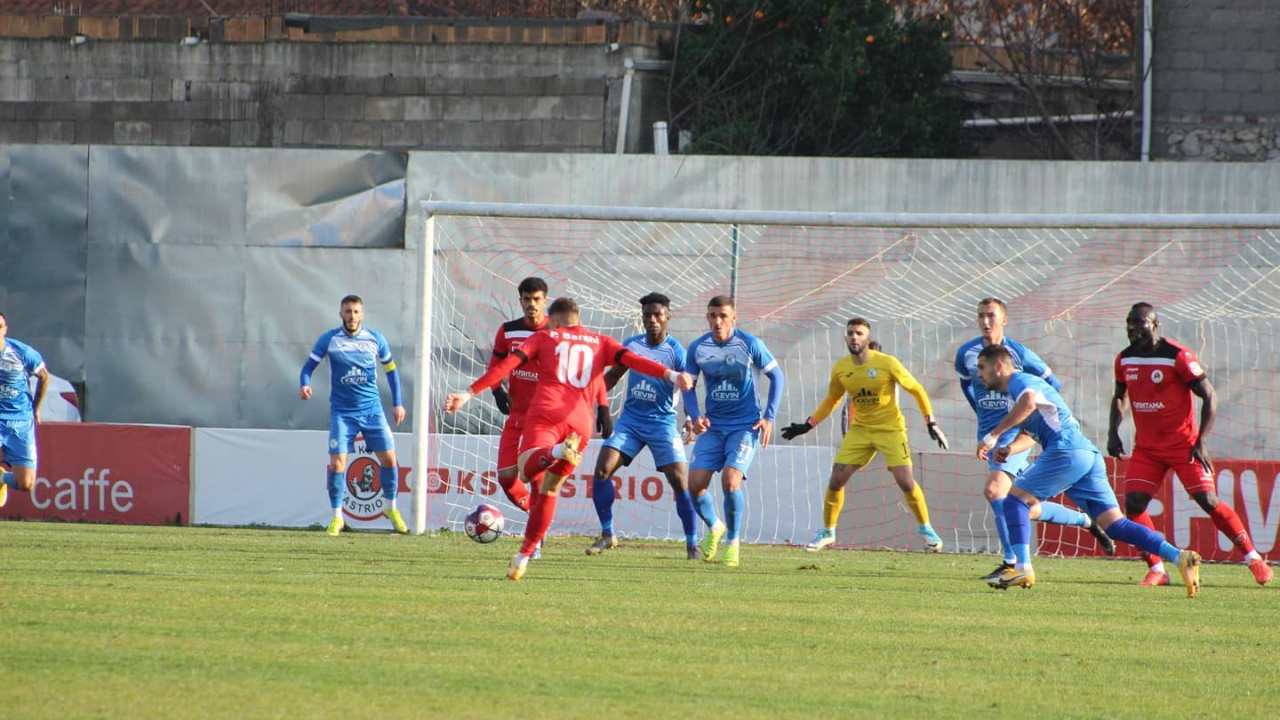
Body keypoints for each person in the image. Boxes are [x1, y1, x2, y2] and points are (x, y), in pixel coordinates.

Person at [445, 297, 694, 581]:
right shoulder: (599, 341)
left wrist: (468, 393)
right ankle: (524, 555)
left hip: (547, 416)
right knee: (549, 490)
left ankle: (554, 453)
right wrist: (671, 374)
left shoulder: (544, 337)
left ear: (555, 319)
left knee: (526, 470)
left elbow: (506, 366)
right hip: (580, 424)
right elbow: (634, 360)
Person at [975, 344, 1201, 596]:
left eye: (982, 367)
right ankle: (1180, 556)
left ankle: (1022, 567)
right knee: (1115, 525)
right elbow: (1033, 430)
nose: (979, 374)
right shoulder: (1017, 394)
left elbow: (1028, 402)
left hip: (1067, 450)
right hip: (1086, 455)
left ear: (998, 366)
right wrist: (1010, 449)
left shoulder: (1020, 381)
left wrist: (994, 435)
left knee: (1014, 502)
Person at [1107, 302, 1271, 586]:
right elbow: (1120, 396)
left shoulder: (1177, 356)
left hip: (1183, 446)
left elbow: (1209, 395)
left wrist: (1200, 441)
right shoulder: (1125, 359)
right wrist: (1113, 432)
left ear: (1155, 325)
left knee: (1207, 500)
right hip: (1147, 448)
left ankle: (1253, 558)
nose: (1133, 328)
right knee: (1133, 504)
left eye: (1139, 322)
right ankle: (1158, 568)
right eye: (1129, 322)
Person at [955, 298, 1114, 580]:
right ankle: (1084, 520)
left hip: (1015, 431)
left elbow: (1051, 385)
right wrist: (982, 417)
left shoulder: (1018, 354)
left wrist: (1034, 419)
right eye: (980, 316)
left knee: (995, 491)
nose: (985, 321)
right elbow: (967, 383)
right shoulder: (967, 353)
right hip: (992, 433)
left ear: (1004, 319)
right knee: (1023, 505)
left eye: (991, 315)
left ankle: (1012, 562)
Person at [783, 318, 947, 553]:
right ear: (845, 337)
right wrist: (808, 425)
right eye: (850, 333)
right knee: (836, 480)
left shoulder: (887, 363)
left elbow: (916, 389)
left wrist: (930, 421)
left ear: (867, 338)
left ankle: (927, 530)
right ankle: (828, 532)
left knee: (905, 482)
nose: (854, 337)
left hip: (890, 429)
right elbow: (832, 399)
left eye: (859, 333)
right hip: (860, 430)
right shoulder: (841, 368)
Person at [486, 277, 608, 558]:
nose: (531, 304)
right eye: (526, 299)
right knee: (506, 478)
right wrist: (496, 390)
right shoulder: (508, 331)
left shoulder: (558, 334)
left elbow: (592, 369)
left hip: (545, 420)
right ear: (520, 301)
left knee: (539, 479)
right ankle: (536, 514)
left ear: (546, 301)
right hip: (517, 416)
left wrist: (602, 405)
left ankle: (535, 540)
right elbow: (496, 365)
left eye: (537, 299)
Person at [586, 293, 699, 559]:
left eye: (657, 314)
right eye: (647, 315)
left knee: (681, 482)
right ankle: (607, 534)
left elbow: (689, 389)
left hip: (662, 423)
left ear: (667, 316)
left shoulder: (676, 352)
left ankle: (692, 544)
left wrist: (691, 418)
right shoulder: (632, 345)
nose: (652, 319)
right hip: (631, 422)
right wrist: (588, 397)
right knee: (602, 470)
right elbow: (613, 376)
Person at [681, 296, 785, 568]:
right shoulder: (698, 348)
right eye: (713, 315)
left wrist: (769, 417)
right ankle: (716, 527)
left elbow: (777, 376)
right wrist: (695, 418)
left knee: (730, 481)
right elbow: (688, 386)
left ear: (734, 317)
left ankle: (733, 543)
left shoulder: (749, 344)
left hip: (744, 426)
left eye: (723, 316)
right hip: (713, 426)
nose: (718, 321)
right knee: (695, 486)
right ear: (707, 317)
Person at [299, 295, 406, 536]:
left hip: (372, 411)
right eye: (348, 311)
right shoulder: (329, 339)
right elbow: (308, 367)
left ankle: (391, 508)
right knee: (337, 464)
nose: (352, 316)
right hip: (342, 413)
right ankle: (337, 517)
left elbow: (392, 372)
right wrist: (304, 384)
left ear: (362, 314)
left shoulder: (375, 339)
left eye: (356, 311)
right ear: (341, 314)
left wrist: (398, 403)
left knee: (389, 459)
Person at [0, 311, 49, 509]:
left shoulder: (21, 352)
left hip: (20, 422)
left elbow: (44, 377)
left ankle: (2, 478)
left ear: (5, 329)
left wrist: (36, 409)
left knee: (26, 484)